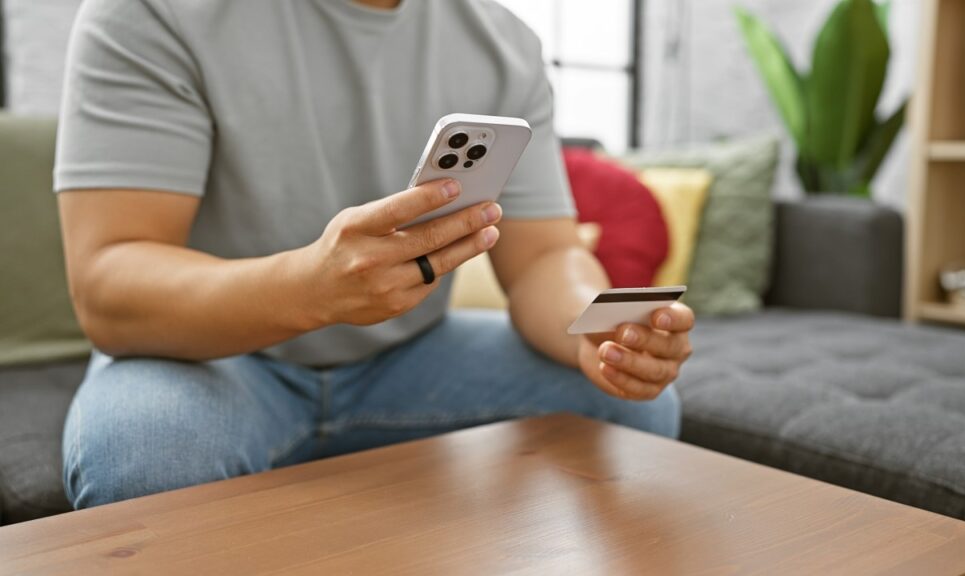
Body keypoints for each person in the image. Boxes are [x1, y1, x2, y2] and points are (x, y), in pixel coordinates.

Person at [56, 0, 693, 509]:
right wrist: (307, 290)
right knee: (146, 451)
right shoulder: (149, 12)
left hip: (410, 355)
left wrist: (599, 327)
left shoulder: (503, 43)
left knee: (630, 401)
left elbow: (542, 258)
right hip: (211, 362)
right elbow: (110, 284)